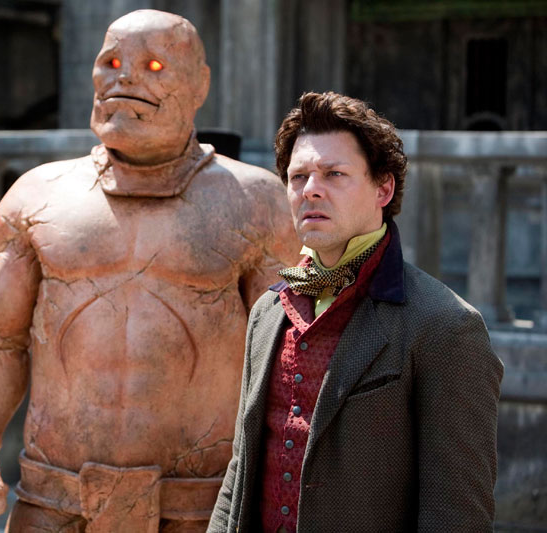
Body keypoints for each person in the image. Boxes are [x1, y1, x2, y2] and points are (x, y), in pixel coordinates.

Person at [0, 9, 300, 533]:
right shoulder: (36, 197)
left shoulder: (257, 203)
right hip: (54, 502)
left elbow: (292, 356)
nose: (124, 78)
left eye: (153, 65)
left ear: (199, 84)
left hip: (201, 510)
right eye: (110, 63)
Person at [208, 91, 504, 532]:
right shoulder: (268, 311)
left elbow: (455, 515)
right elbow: (241, 471)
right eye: (298, 176)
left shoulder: (445, 326)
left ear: (383, 188)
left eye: (334, 174)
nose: (311, 189)